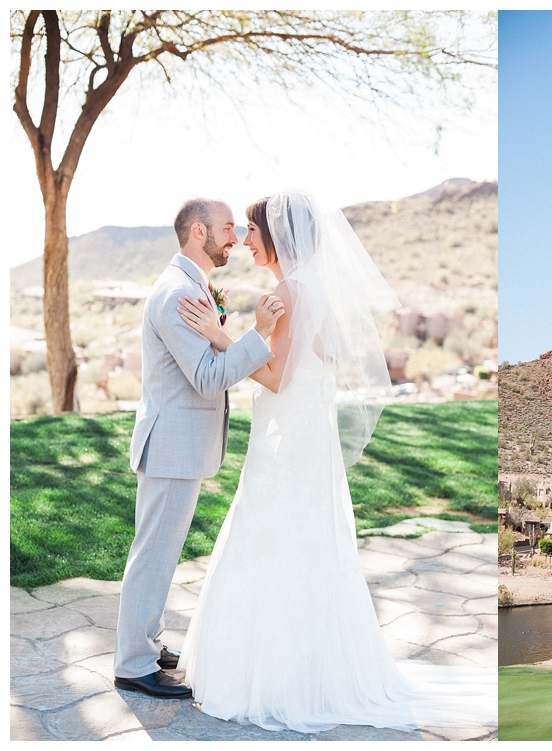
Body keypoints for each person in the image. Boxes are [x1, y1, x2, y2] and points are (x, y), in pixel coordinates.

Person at [174, 190, 495, 732]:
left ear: (276, 236)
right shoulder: (308, 287)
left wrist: (220, 337)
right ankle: (305, 666)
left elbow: (276, 376)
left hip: (289, 438)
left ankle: (278, 677)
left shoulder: (292, 292)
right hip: (299, 431)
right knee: (298, 539)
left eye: (251, 231)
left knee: (274, 536)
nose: (245, 240)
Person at [114, 198, 285, 699]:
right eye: (227, 228)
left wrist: (223, 331)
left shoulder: (192, 287)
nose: (234, 237)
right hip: (170, 444)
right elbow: (208, 379)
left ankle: (145, 641)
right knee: (153, 555)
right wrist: (259, 336)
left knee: (160, 553)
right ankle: (133, 663)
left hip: (177, 443)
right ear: (197, 232)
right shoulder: (176, 295)